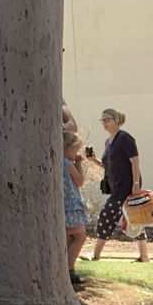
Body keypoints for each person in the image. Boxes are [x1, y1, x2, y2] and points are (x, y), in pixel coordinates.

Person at [88, 108, 149, 263]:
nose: (104, 123)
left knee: (106, 215)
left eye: (107, 119)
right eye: (102, 120)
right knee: (134, 218)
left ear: (116, 120)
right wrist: (94, 160)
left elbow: (135, 162)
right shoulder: (108, 142)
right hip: (117, 186)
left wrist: (136, 183)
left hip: (127, 186)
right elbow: (109, 166)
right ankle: (144, 256)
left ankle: (95, 255)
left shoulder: (125, 138)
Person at [62, 112, 90, 274]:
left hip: (63, 206)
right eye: (75, 150)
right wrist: (78, 164)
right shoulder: (68, 164)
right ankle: (70, 267)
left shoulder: (58, 163)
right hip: (71, 206)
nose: (76, 153)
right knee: (80, 236)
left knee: (67, 238)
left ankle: (64, 268)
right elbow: (80, 182)